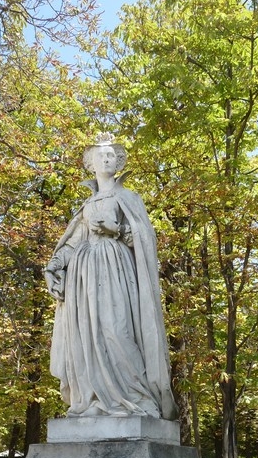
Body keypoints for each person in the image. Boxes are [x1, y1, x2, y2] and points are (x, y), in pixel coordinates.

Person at [45, 132, 178, 421]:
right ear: (90, 163)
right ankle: (93, 399)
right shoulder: (86, 205)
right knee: (89, 336)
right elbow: (72, 242)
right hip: (85, 277)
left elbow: (143, 239)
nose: (105, 159)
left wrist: (115, 230)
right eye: (100, 156)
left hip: (116, 270)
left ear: (117, 162)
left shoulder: (128, 198)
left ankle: (136, 397)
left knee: (117, 331)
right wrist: (54, 265)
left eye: (110, 156)